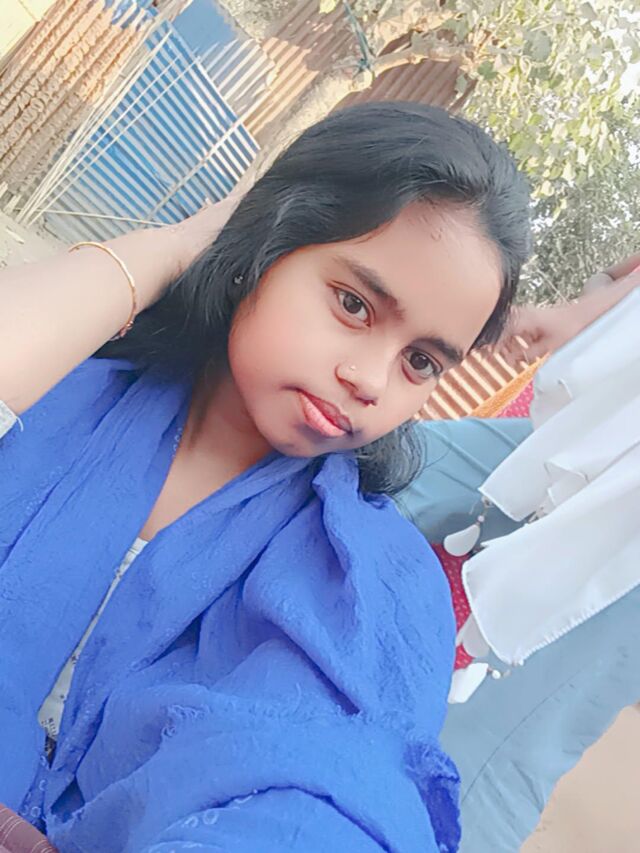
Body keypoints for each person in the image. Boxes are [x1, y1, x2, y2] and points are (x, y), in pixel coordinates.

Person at [0, 102, 531, 852]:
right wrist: (181, 245)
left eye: (420, 362)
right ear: (271, 240)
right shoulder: (55, 391)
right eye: (354, 305)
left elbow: (326, 797)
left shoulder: (364, 583)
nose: (371, 380)